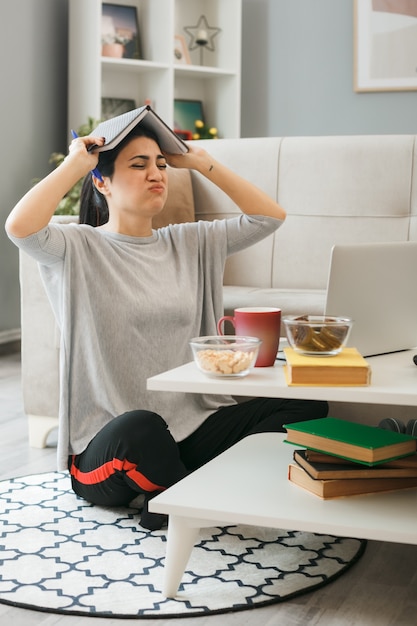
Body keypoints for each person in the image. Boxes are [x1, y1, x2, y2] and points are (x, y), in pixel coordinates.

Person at [5, 122, 328, 530]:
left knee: (307, 407)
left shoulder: (190, 242)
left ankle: (174, 490)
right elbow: (20, 227)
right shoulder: (77, 248)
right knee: (141, 426)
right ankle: (190, 494)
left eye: (161, 165)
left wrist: (201, 163)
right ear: (102, 183)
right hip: (109, 448)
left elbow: (269, 217)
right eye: (139, 165)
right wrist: (75, 164)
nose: (156, 174)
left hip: (191, 430)